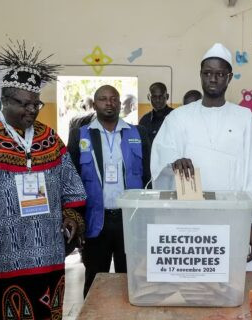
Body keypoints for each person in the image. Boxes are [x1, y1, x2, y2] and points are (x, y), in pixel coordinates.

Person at [0, 41, 87, 319]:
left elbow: (71, 185)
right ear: (5, 100)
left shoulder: (49, 138)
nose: (32, 111)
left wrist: (71, 216)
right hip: (0, 256)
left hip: (48, 255)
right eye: (25, 104)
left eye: (37, 104)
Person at [151, 43, 252, 271]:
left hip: (233, 221)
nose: (213, 79)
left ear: (229, 77)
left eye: (220, 74)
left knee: (229, 284)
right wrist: (173, 163)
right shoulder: (178, 118)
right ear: (200, 75)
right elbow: (161, 157)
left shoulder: (245, 119)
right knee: (192, 282)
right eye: (208, 73)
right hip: (188, 224)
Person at [68, 85, 151, 297]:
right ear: (95, 104)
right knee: (95, 279)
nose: (109, 103)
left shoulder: (137, 133)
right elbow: (72, 179)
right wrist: (75, 219)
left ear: (120, 103)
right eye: (103, 99)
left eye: (114, 98)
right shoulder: (80, 135)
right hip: (96, 221)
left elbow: (149, 176)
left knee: (131, 279)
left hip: (129, 220)